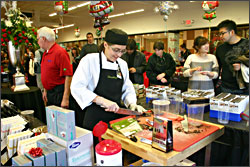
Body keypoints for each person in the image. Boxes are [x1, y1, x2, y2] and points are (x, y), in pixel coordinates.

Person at [70, 28, 146, 133]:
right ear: (105, 45)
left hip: (116, 118)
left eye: (122, 51)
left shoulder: (122, 64)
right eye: (116, 50)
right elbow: (76, 87)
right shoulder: (90, 60)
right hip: (94, 118)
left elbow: (127, 88)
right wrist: (101, 100)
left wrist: (132, 104)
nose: (119, 55)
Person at [38, 27, 73, 108]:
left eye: (38, 39)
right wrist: (45, 90)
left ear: (43, 38)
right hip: (50, 93)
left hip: (59, 93)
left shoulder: (60, 53)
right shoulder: (45, 53)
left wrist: (65, 98)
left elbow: (68, 75)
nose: (37, 42)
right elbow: (47, 74)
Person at [216, 19, 249, 94]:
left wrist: (243, 66)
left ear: (232, 32)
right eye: (219, 34)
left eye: (223, 33)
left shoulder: (247, 45)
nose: (220, 36)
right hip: (226, 87)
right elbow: (218, 67)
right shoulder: (220, 48)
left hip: (245, 88)